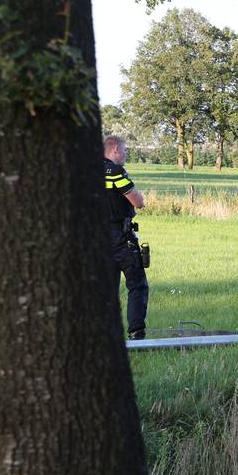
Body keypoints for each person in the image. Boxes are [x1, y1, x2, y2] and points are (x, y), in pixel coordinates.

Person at [103, 135, 149, 339]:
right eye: (125, 150)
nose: (126, 154)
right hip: (121, 238)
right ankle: (136, 331)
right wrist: (140, 200)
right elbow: (137, 201)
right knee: (137, 283)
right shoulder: (116, 172)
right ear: (115, 150)